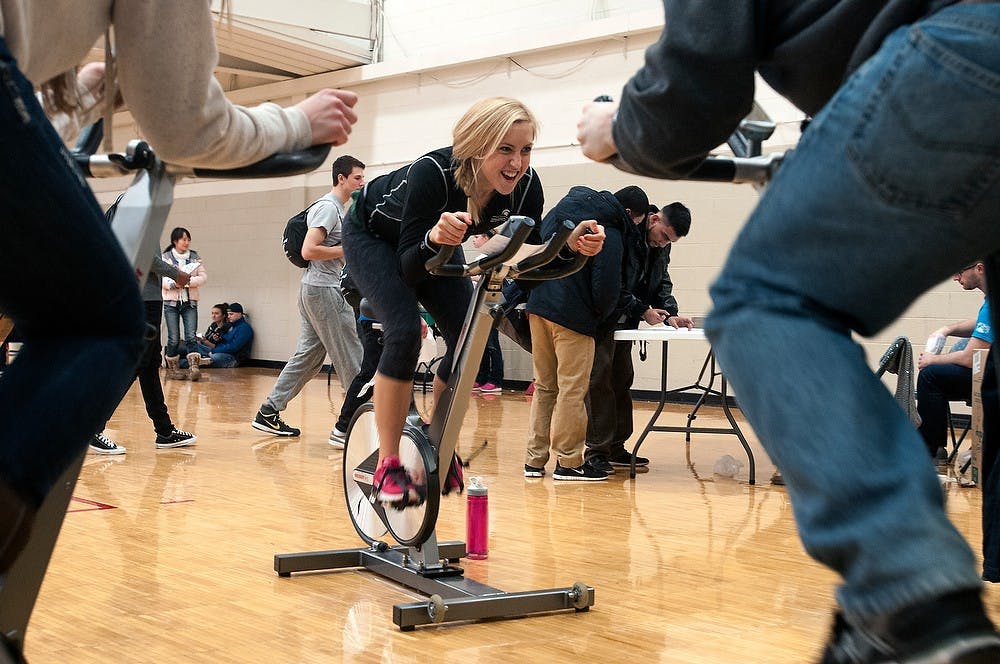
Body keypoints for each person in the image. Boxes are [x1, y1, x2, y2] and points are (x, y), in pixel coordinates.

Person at [577, 1, 1000, 660]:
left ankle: (910, 601)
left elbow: (694, 94)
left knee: (761, 303)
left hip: (956, 65)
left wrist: (618, 128)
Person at [0, 0, 359, 574]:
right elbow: (185, 127)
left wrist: (85, 94)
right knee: (101, 322)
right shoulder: (325, 206)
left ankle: (232, 416)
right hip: (308, 287)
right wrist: (296, 121)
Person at [344, 97, 605, 507]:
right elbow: (411, 269)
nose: (517, 162)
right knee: (405, 332)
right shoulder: (433, 173)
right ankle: (388, 464)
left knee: (471, 336)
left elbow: (525, 263)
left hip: (432, 243)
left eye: (525, 149)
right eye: (505, 148)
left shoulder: (526, 188)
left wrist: (571, 249)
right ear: (477, 145)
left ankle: (438, 442)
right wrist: (434, 239)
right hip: (373, 238)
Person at [252, 156, 365, 436]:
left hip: (315, 289)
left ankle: (269, 411)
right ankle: (353, 424)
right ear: (341, 179)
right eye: (357, 178)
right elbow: (309, 250)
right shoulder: (328, 208)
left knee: (309, 357)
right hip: (324, 291)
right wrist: (348, 250)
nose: (363, 183)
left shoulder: (338, 209)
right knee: (352, 358)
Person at [523, 185, 628, 481]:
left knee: (545, 387)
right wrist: (599, 317)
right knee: (572, 389)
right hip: (574, 316)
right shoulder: (607, 229)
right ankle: (568, 462)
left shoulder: (556, 215)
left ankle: (534, 460)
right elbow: (606, 286)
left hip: (538, 307)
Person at [584, 197, 694, 474]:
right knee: (598, 382)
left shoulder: (659, 245)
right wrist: (642, 309)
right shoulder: (623, 235)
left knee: (621, 380)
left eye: (670, 242)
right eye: (663, 237)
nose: (663, 244)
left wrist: (670, 313)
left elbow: (660, 281)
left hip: (626, 321)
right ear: (655, 219)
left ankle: (615, 447)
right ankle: (595, 451)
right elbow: (613, 284)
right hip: (602, 319)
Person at [91, 252, 197, 455]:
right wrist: (176, 273)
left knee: (149, 363)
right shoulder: (140, 217)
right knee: (137, 361)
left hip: (142, 296)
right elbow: (143, 254)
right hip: (142, 298)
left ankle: (165, 431)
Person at [917, 261, 992, 460]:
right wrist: (948, 329)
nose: (956, 278)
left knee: (930, 376)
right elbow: (981, 323)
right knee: (954, 352)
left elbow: (969, 359)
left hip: (993, 381)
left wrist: (933, 359)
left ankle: (930, 451)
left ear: (979, 268)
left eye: (959, 271)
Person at [162, 226, 208, 380]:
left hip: (190, 302)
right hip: (171, 303)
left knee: (190, 336)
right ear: (175, 241)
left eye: (188, 239)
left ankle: (194, 368)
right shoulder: (166, 257)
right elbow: (162, 278)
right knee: (173, 337)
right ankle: (173, 370)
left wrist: (186, 282)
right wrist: (174, 284)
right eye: (183, 239)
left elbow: (203, 277)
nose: (186, 242)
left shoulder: (194, 257)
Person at [196, 302, 254, 369]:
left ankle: (197, 360)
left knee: (214, 356)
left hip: (233, 358)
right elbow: (225, 342)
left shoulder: (244, 328)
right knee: (193, 345)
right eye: (228, 314)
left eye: (231, 314)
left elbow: (233, 347)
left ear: (239, 314)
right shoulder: (233, 326)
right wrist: (218, 340)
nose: (229, 317)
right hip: (220, 352)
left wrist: (214, 351)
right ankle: (193, 360)